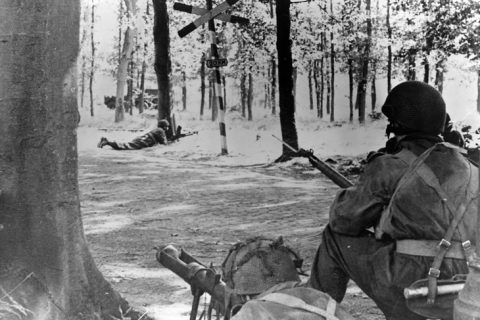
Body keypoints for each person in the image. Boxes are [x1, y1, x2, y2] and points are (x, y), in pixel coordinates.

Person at [307, 81, 478, 320]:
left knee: (334, 238)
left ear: (397, 124)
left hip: (413, 284)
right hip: (466, 284)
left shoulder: (389, 165)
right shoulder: (471, 168)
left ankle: (308, 312)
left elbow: (343, 220)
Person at [97, 119, 170, 150]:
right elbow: (164, 144)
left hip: (141, 140)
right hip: (143, 142)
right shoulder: (161, 131)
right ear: (164, 126)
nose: (167, 128)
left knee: (125, 146)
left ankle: (107, 142)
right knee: (125, 147)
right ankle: (107, 142)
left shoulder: (157, 129)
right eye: (167, 127)